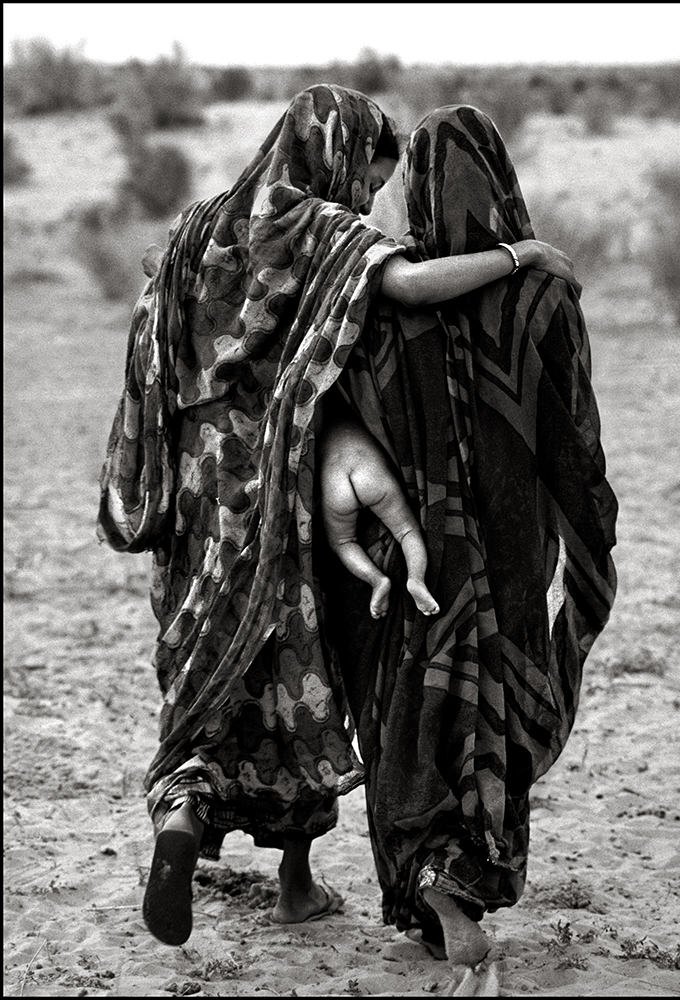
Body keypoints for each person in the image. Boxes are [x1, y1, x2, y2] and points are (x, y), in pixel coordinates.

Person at [98, 85, 581, 949]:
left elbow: (152, 264)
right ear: (342, 153)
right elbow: (415, 285)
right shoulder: (325, 230)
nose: (365, 198)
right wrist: (521, 254)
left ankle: (184, 811)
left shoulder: (205, 222)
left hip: (197, 496)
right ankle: (294, 882)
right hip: (280, 490)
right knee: (296, 679)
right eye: (366, 176)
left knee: (205, 669)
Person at [325, 105, 618, 992]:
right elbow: (572, 438)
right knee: (493, 693)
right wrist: (591, 541)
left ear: (414, 184)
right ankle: (465, 871)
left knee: (409, 704)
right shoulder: (542, 294)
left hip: (408, 546)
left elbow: (333, 407)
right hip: (510, 544)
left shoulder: (389, 291)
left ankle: (422, 873)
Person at [319, 411, 440, 619]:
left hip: (334, 483)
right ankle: (416, 579)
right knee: (406, 531)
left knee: (343, 541)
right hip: (369, 472)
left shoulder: (318, 433)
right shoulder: (358, 416)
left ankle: (377, 580)